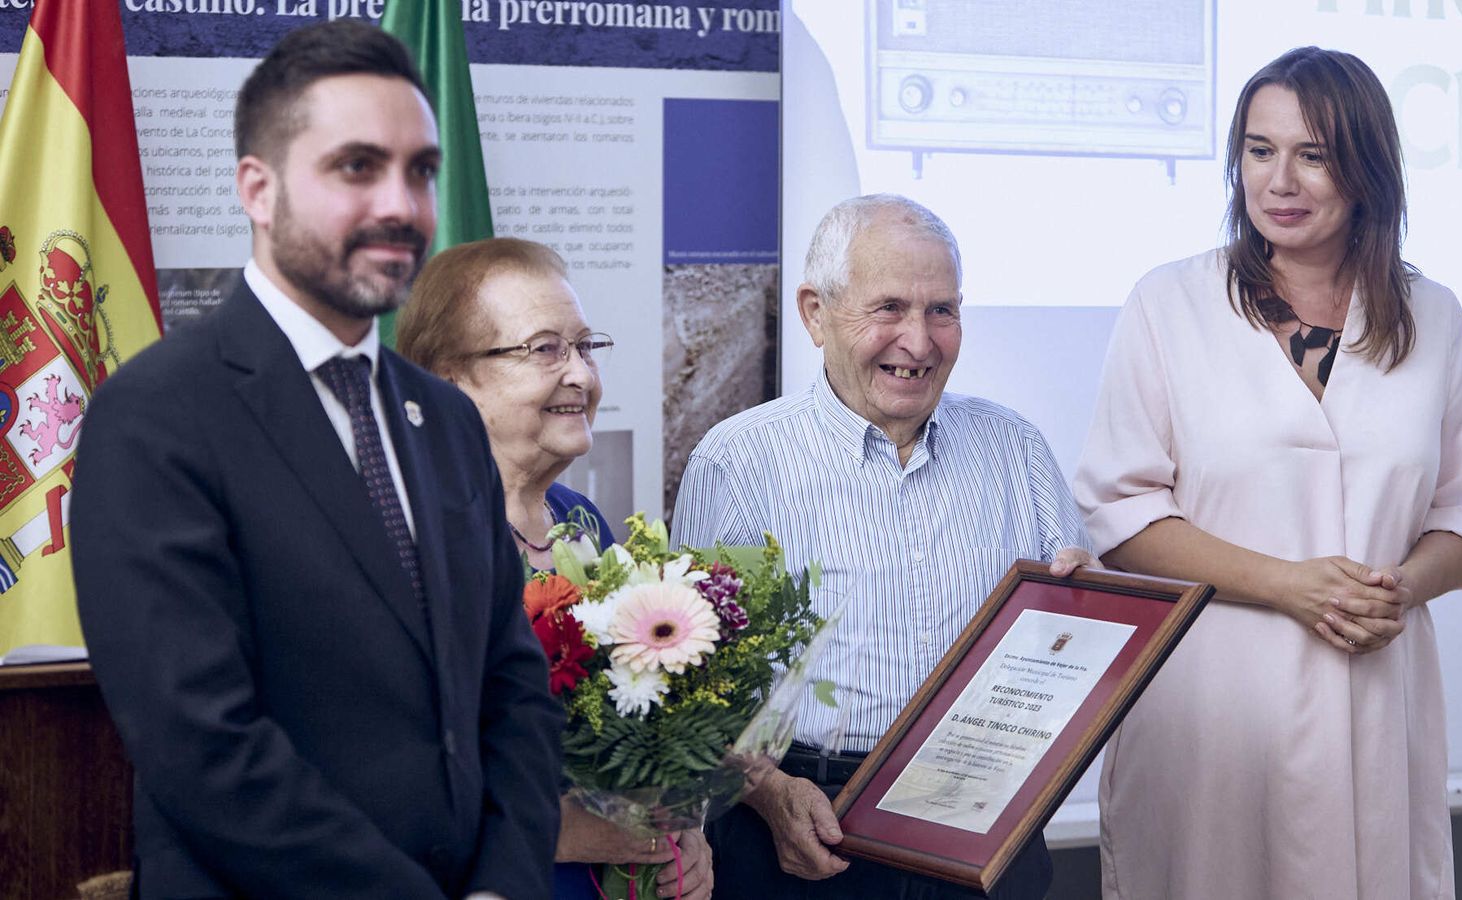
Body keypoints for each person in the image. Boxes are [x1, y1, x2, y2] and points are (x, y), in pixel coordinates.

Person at [71, 22, 564, 899]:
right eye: (356, 167)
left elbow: (513, 687)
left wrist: (504, 883)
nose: (402, 204)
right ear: (257, 190)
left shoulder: (447, 419)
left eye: (420, 170)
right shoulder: (154, 416)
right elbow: (203, 744)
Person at [1073, 47, 1462, 900]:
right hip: (1213, 705)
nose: (1281, 180)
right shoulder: (1169, 303)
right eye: (1260, 150)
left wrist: (1402, 588)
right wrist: (1288, 585)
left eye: (1313, 153)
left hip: (1377, 689)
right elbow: (1120, 516)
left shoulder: (1434, 314)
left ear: (1367, 167)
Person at [672, 193, 1095, 899]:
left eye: (942, 310)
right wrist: (768, 790)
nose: (920, 341)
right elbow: (688, 688)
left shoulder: (1015, 448)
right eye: (889, 307)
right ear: (815, 313)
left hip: (987, 822)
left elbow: (1073, 630)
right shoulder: (738, 462)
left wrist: (1088, 612)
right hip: (806, 823)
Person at [398, 237, 713, 900]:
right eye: (545, 349)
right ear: (448, 379)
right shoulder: (406, 539)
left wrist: (678, 833)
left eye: (585, 347)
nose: (581, 375)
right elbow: (378, 766)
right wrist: (556, 829)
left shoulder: (584, 525)